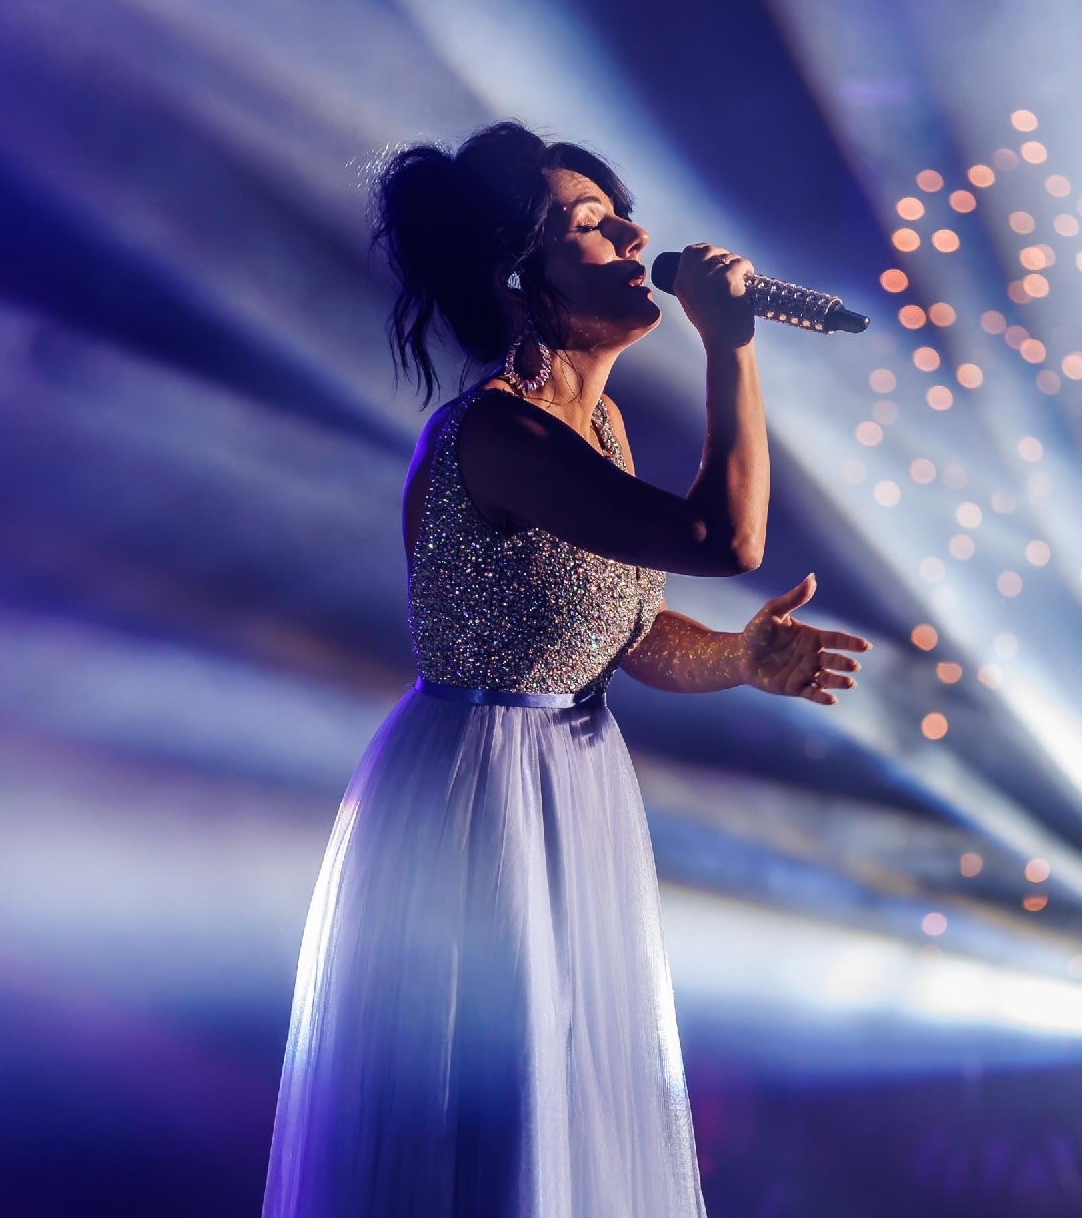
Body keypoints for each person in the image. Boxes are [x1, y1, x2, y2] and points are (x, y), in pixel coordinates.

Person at [260, 121, 872, 1217]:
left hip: (570, 782)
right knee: (496, 1131)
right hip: (481, 799)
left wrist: (739, 656)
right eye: (591, 225)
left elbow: (626, 635)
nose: (638, 234)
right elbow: (724, 540)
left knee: (577, 1115)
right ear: (521, 278)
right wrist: (731, 346)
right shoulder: (496, 436)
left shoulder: (600, 429)